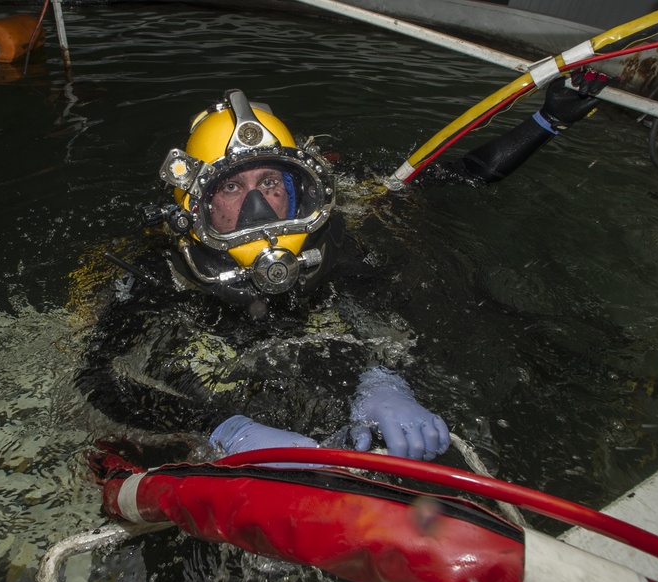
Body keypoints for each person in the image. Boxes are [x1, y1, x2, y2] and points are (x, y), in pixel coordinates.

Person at [79, 71, 609, 464]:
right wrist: (220, 426)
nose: (259, 208)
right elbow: (97, 377)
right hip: (206, 374)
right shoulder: (162, 271)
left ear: (301, 186)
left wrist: (384, 378)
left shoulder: (335, 233)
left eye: (271, 183)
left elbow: (461, 176)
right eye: (232, 188)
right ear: (193, 205)